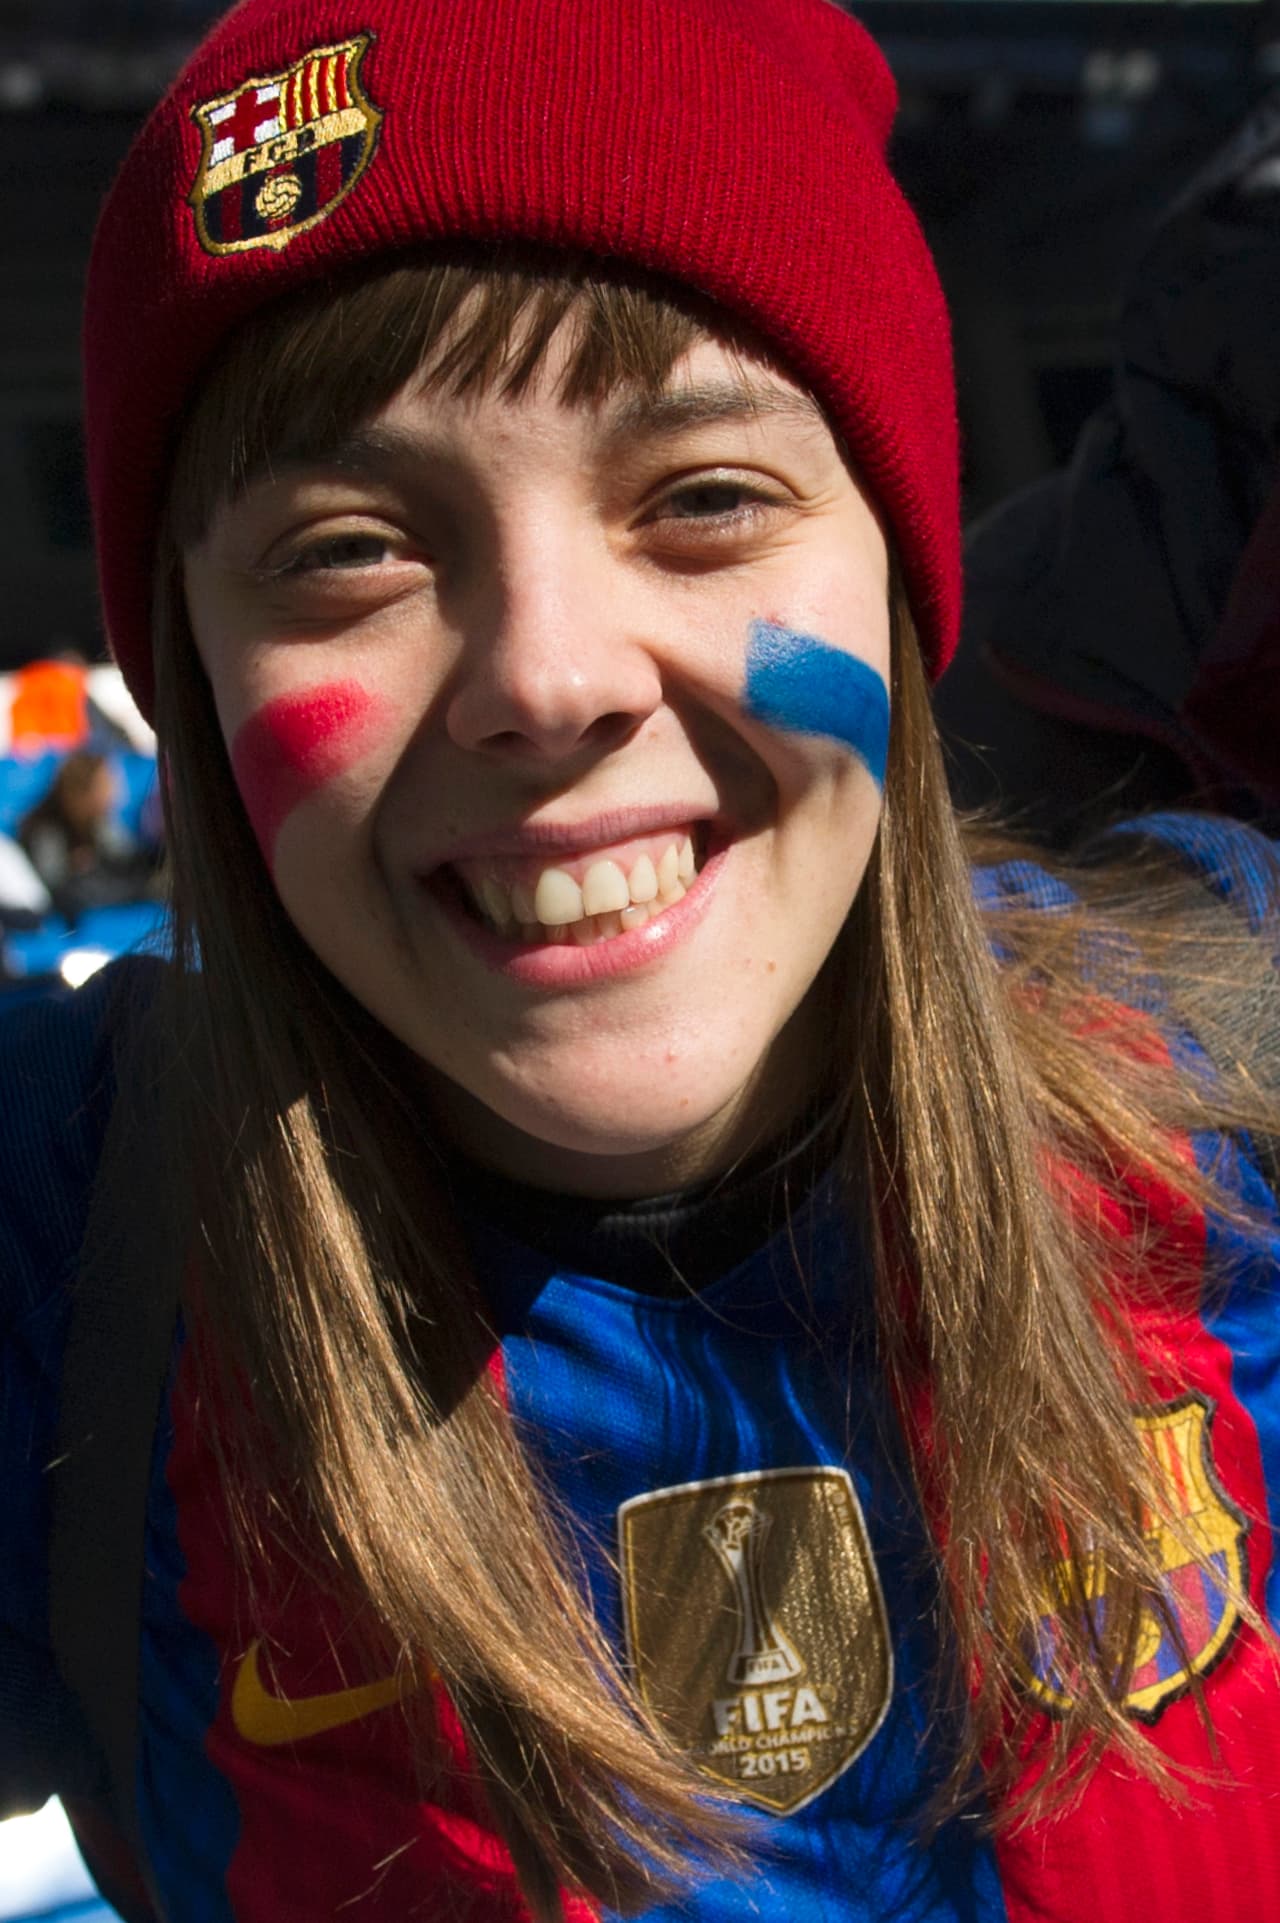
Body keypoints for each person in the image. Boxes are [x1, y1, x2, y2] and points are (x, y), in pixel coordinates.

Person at [1, 1, 1278, 1920]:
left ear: (902, 567)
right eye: (350, 544)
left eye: (703, 498)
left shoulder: (1237, 1076)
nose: (547, 674)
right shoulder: (67, 1239)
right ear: (189, 674)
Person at [15, 752, 154, 924]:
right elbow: (56, 889)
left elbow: (126, 859)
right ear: (81, 793)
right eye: (104, 785)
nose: (113, 793)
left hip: (105, 900)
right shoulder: (45, 830)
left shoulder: (98, 823)